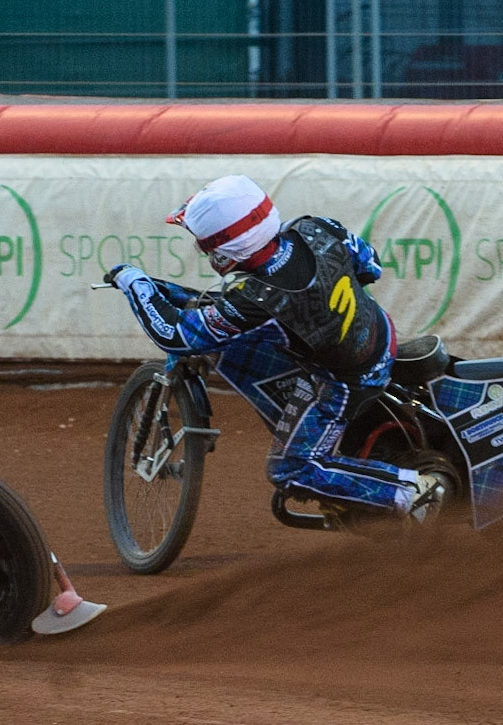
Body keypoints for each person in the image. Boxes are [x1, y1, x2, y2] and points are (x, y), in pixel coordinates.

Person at [105, 174, 440, 521]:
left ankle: (411, 492)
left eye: (204, 244)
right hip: (380, 332)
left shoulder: (258, 299)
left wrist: (135, 283)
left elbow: (176, 336)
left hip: (344, 380)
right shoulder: (316, 228)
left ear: (224, 249)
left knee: (289, 470)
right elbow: (370, 266)